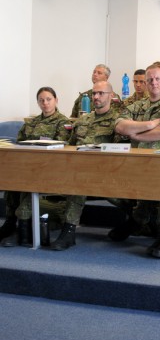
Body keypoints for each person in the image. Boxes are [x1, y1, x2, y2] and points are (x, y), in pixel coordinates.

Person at [112, 64, 160, 258]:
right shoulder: (138, 105)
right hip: (138, 162)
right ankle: (138, 219)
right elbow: (119, 126)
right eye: (150, 80)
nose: (154, 83)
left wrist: (135, 133)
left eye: (158, 79)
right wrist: (149, 124)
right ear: (145, 83)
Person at [54, 81, 125, 251]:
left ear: (111, 96)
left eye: (101, 93)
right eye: (94, 93)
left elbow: (122, 153)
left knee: (131, 203)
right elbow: (70, 146)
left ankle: (136, 221)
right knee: (80, 180)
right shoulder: (83, 120)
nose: (96, 97)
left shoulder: (119, 122)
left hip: (108, 173)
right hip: (80, 171)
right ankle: (68, 231)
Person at [0, 87, 71, 247]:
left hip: (50, 168)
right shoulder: (31, 123)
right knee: (11, 185)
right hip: (27, 166)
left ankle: (22, 232)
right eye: (41, 100)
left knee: (27, 187)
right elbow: (19, 143)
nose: (45, 103)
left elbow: (62, 147)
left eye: (48, 99)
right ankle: (10, 223)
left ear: (56, 100)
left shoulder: (63, 122)